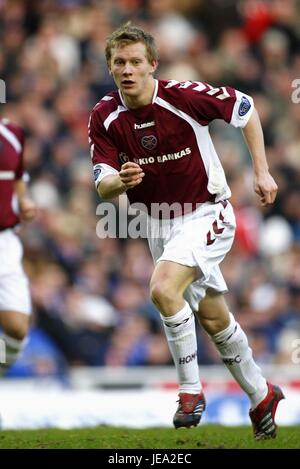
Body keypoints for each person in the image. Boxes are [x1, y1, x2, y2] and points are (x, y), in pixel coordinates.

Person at [88, 23, 284, 439]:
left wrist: (261, 172)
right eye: (119, 62)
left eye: (136, 62)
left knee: (162, 289)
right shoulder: (105, 117)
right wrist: (120, 181)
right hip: (158, 225)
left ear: (152, 65)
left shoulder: (181, 96)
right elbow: (102, 185)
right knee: (214, 319)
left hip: (207, 213)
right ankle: (262, 394)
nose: (127, 69)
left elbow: (245, 107)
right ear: (110, 67)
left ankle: (190, 390)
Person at [0, 118, 37, 375]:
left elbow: (18, 174)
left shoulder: (12, 132)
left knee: (17, 328)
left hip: (6, 242)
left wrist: (24, 200)